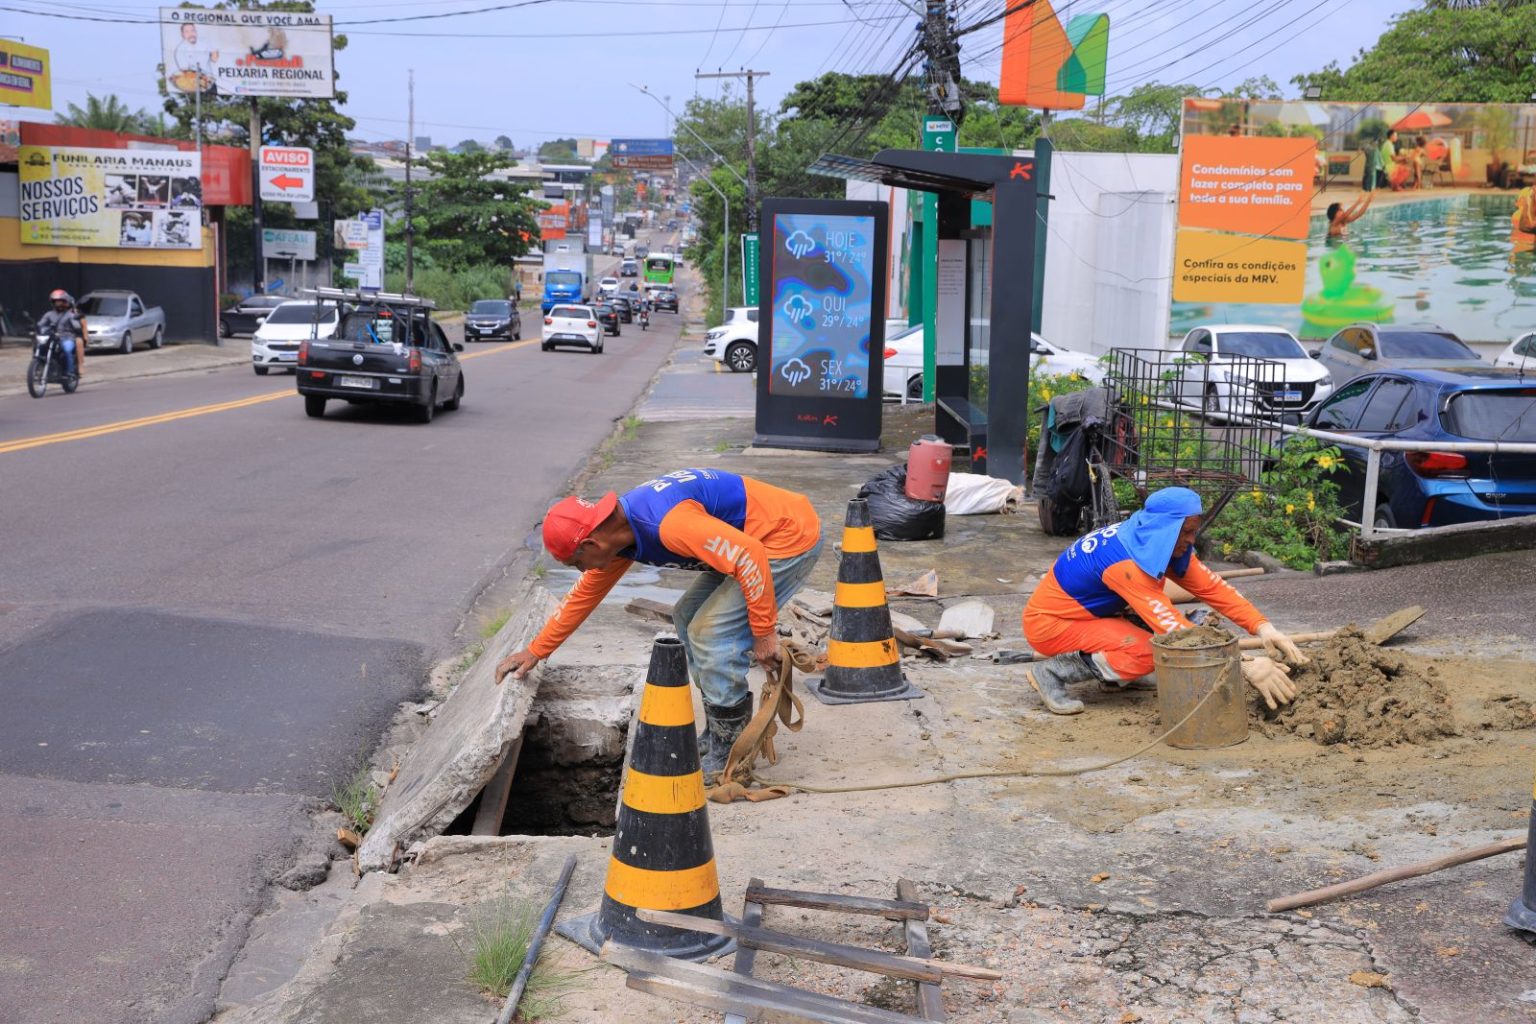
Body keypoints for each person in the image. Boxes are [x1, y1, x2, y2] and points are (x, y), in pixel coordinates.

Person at [496, 469, 823, 775]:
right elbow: (581, 599)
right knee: (686, 617)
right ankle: (717, 733)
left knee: (710, 633)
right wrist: (535, 651)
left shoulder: (666, 523)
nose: (581, 570)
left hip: (784, 539)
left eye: (576, 562)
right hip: (748, 542)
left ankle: (732, 753)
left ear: (591, 544)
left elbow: (750, 555)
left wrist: (764, 633)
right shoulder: (618, 535)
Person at [1021, 487, 1306, 716]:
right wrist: (1245, 663)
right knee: (1148, 652)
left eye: (1195, 530)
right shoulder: (1126, 564)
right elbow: (1179, 634)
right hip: (1051, 625)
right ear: (1167, 528)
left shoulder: (1151, 537)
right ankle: (1051, 672)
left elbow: (1216, 589)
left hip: (1092, 614)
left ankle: (1116, 675)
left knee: (1152, 648)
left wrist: (1265, 628)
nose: (1193, 540)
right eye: (1188, 532)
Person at [36, 289, 84, 380]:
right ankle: (39, 367)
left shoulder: (70, 314)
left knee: (67, 350)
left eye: (60, 301)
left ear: (66, 302)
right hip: (52, 337)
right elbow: (41, 324)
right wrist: (35, 327)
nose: (58, 304)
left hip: (67, 337)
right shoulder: (49, 314)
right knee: (39, 347)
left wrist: (77, 324)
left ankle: (69, 372)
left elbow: (77, 325)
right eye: (56, 302)